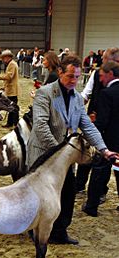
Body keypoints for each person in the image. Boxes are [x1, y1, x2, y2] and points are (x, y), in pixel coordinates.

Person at [26, 54, 117, 245]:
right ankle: (34, 231)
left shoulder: (77, 98)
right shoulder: (45, 93)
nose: (74, 81)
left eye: (77, 77)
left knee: (67, 194)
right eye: (70, 76)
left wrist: (104, 150)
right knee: (38, 197)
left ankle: (60, 232)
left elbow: (88, 126)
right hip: (43, 154)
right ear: (60, 72)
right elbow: (40, 125)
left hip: (64, 159)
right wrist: (59, 152)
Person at [76, 47, 119, 194]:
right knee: (86, 155)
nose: (103, 62)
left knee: (106, 163)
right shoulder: (96, 74)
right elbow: (86, 94)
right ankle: (80, 185)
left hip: (110, 128)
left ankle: (100, 192)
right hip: (93, 122)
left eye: (106, 60)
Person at [82, 61, 119, 216]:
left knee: (99, 173)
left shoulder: (107, 93)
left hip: (108, 141)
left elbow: (102, 121)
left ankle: (91, 207)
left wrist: (91, 129)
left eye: (102, 76)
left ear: (110, 74)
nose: (101, 80)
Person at [0, 49, 19, 128]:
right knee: (12, 107)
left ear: (7, 57)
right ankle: (12, 123)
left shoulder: (12, 65)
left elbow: (9, 77)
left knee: (13, 107)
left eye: (3, 58)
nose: (3, 60)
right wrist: (4, 87)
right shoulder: (11, 64)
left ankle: (14, 123)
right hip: (10, 89)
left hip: (12, 90)